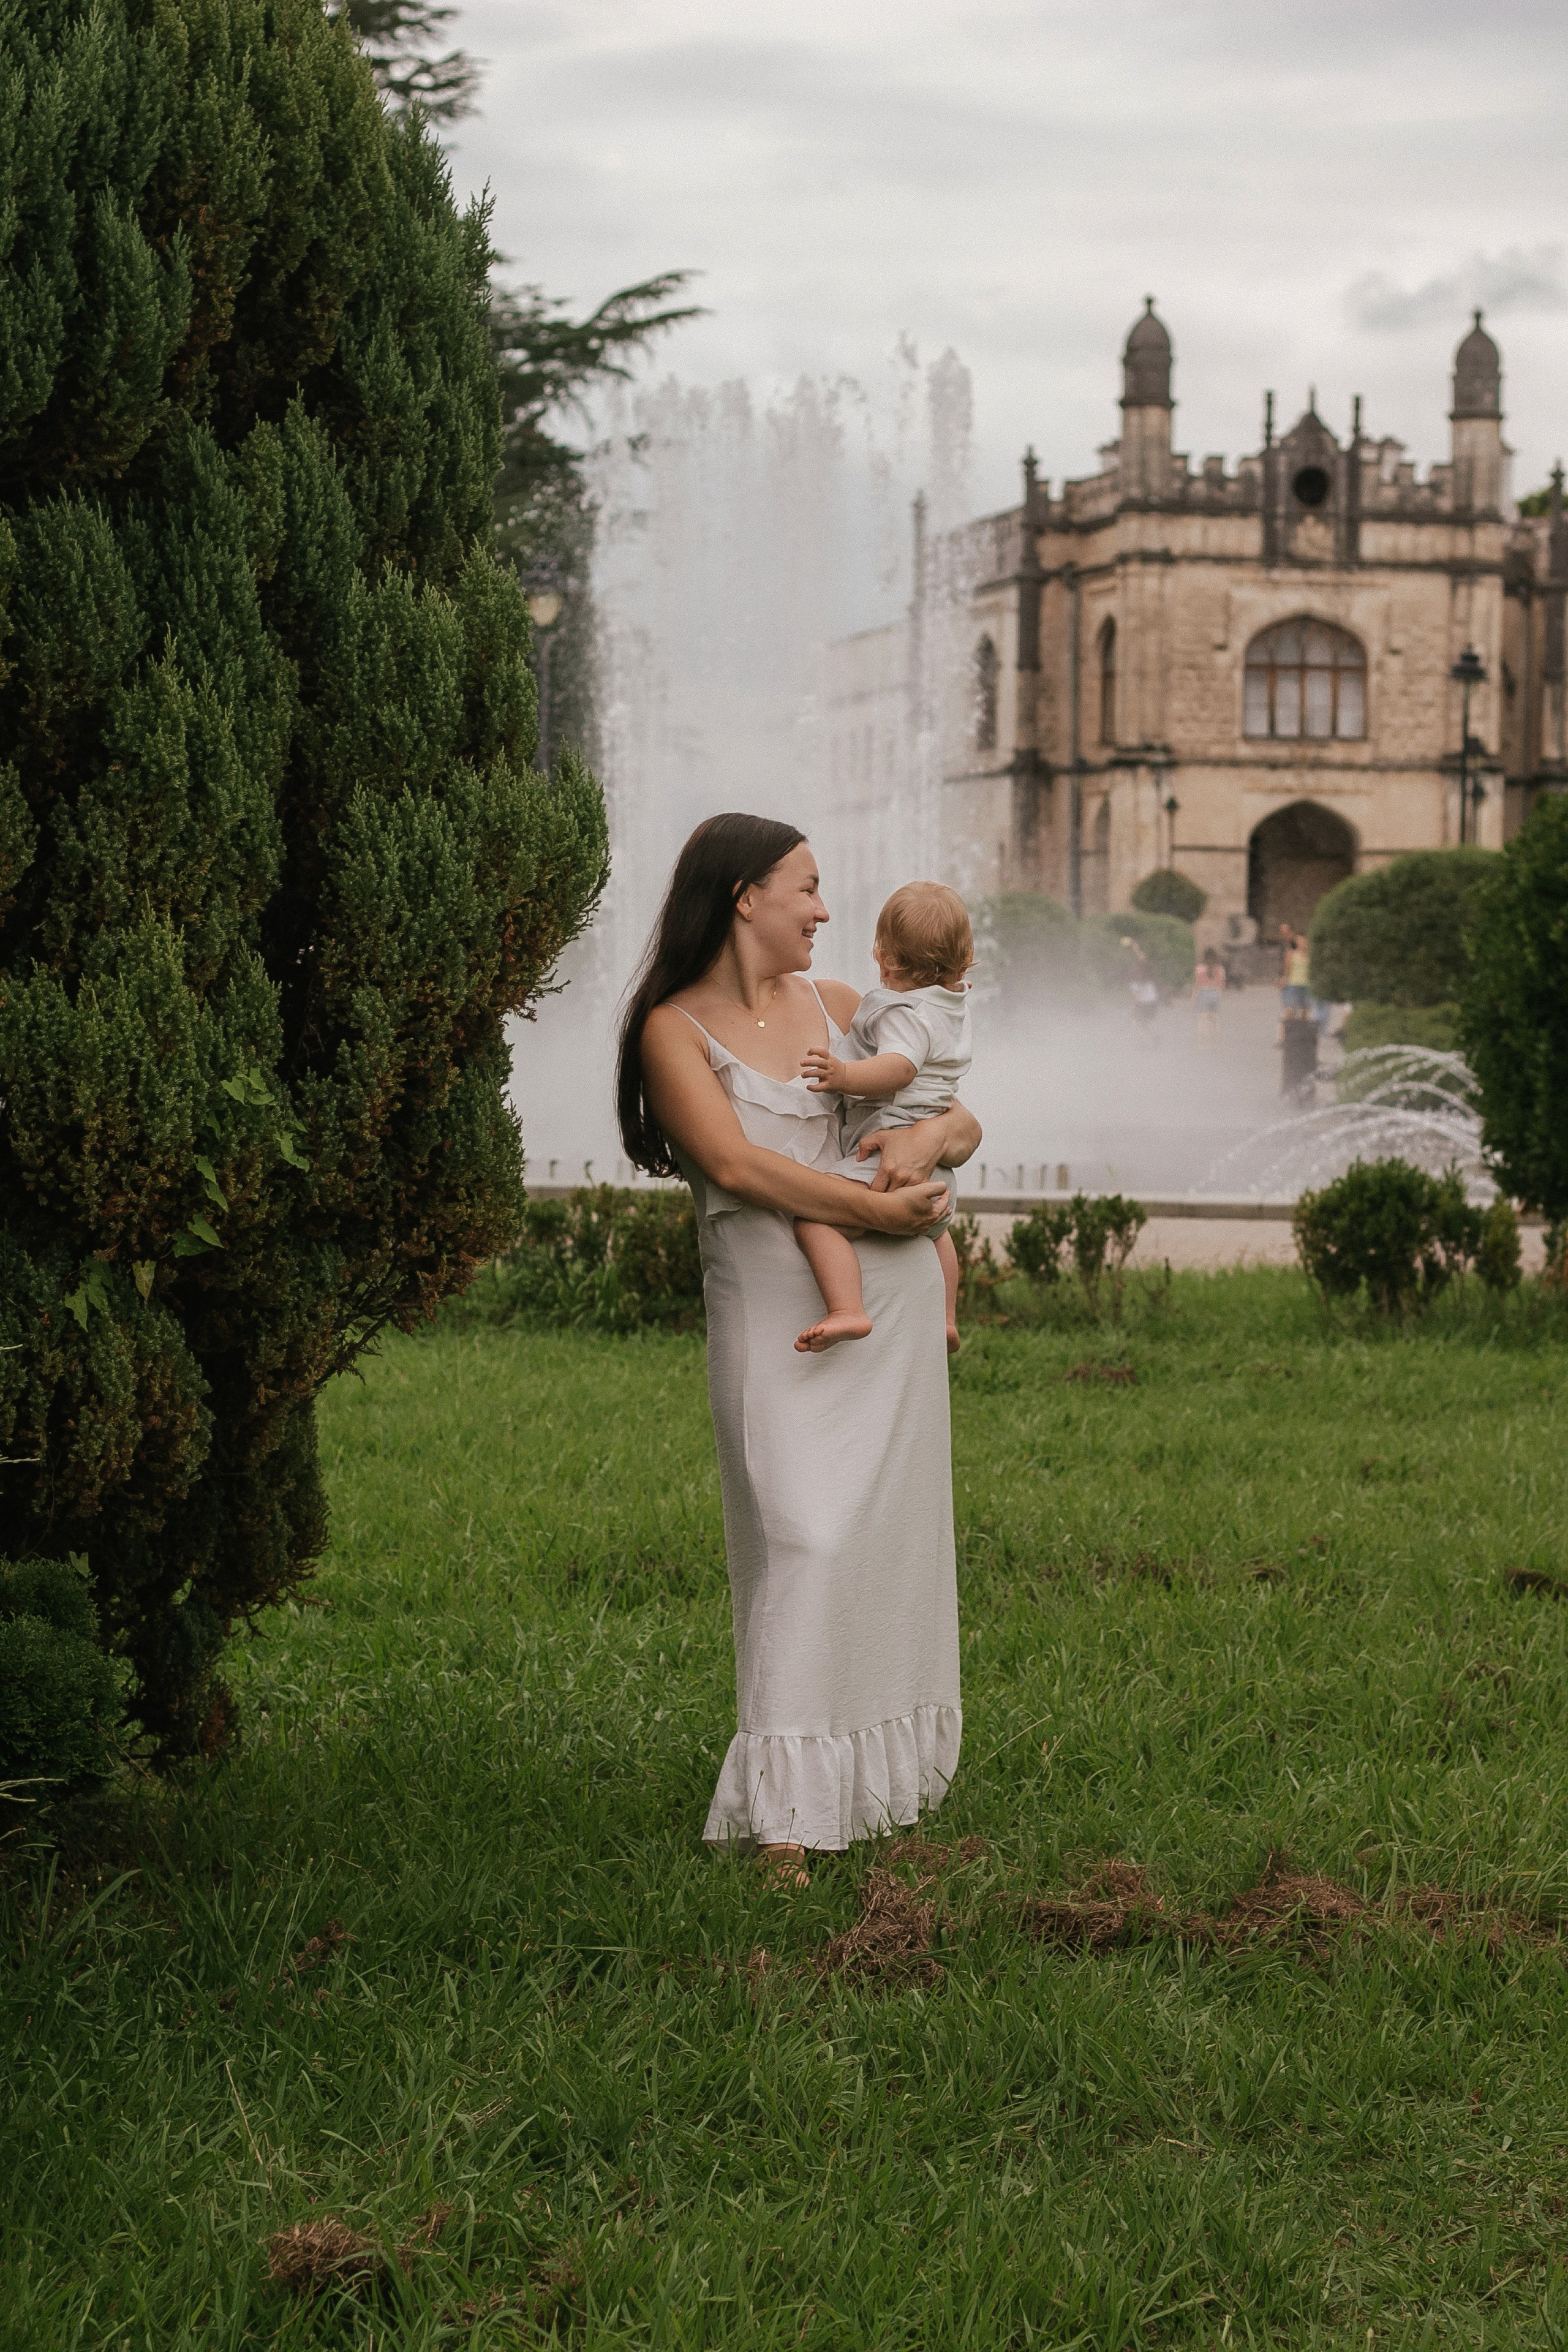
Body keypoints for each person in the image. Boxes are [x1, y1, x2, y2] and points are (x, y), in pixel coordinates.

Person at [619, 815, 979, 1886]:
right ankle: (785, 1810)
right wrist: (874, 1212)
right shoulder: (671, 1030)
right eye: (808, 888)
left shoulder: (839, 1009)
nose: (827, 910)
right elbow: (739, 1169)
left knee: (882, 1550)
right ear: (743, 897)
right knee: (804, 1540)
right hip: (777, 1318)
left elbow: (955, 1113)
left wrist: (924, 1150)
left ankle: (871, 1789)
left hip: (893, 1304)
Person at [793, 880, 972, 1358]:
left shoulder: (902, 1011)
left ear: (886, 959)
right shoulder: (949, 1008)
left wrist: (844, 1073)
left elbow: (900, 1067)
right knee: (940, 1233)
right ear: (966, 957)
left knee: (815, 1221)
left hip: (884, 1164)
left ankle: (847, 1308)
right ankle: (948, 1319)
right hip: (936, 1173)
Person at [1193, 948, 1226, 1046]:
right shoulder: (1221, 969)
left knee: (1202, 1020)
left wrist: (1194, 999)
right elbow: (1222, 985)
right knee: (1215, 1020)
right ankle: (1214, 1043)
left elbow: (1197, 985)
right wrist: (1220, 996)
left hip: (1204, 993)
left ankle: (1201, 1044)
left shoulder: (1199, 968)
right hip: (1215, 993)